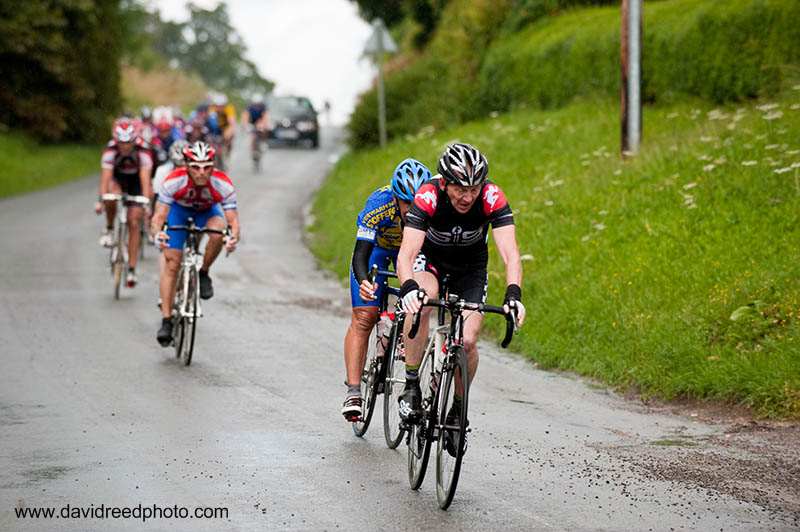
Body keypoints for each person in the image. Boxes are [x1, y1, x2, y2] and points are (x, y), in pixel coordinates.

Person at [394, 143, 526, 429]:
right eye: (460, 189)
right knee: (423, 300)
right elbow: (406, 255)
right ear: (444, 183)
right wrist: (407, 288)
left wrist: (514, 294)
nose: (468, 197)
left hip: (470, 269)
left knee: (467, 340)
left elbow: (510, 253)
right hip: (430, 262)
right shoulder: (428, 196)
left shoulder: (491, 196)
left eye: (474, 189)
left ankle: (457, 407)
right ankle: (412, 384)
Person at [341, 159, 432, 421]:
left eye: (416, 204)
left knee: (417, 299)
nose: (411, 210)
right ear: (395, 197)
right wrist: (364, 281)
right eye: (406, 203)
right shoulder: (378, 205)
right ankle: (354, 390)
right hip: (377, 251)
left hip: (413, 251)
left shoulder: (432, 210)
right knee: (364, 316)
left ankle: (402, 333)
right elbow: (361, 254)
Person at [150, 141, 240, 346]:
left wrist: (233, 237)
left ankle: (204, 272)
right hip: (178, 213)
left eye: (207, 167)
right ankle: (166, 321)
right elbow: (158, 217)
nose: (201, 172)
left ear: (213, 166)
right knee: (172, 263)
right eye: (196, 167)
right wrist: (158, 234)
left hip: (207, 212)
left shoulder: (222, 183)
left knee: (217, 233)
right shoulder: (173, 181)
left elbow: (233, 220)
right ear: (186, 166)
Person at [95, 118, 154, 287]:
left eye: (128, 143)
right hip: (118, 180)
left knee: (134, 221)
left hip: (136, 182)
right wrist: (101, 200)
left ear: (134, 141)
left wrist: (146, 204)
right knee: (111, 196)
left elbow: (144, 180)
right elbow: (105, 179)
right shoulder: (110, 152)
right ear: (116, 141)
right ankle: (109, 228)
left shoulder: (143, 153)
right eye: (121, 143)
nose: (125, 147)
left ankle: (132, 269)